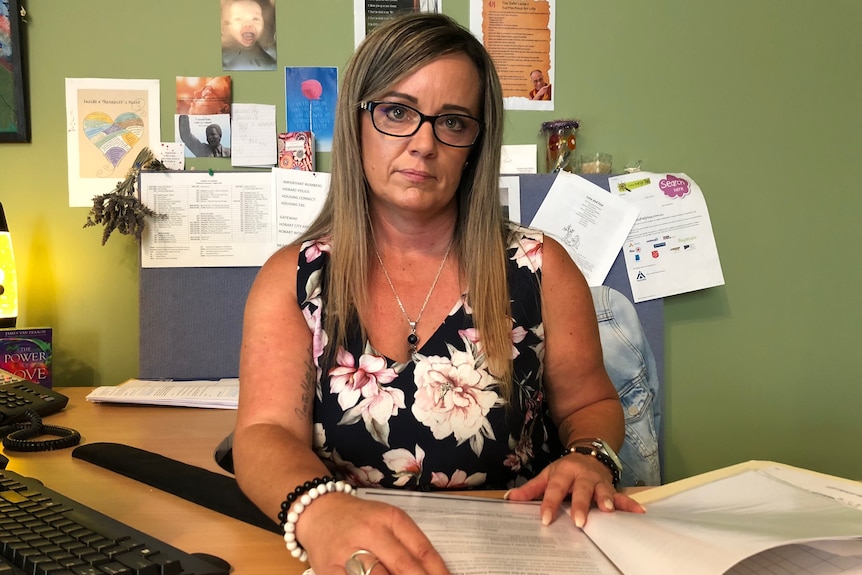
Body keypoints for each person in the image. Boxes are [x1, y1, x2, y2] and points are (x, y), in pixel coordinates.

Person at [233, 11, 644, 575]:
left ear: (475, 142)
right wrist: (321, 511)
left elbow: (592, 405)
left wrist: (590, 457)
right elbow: (264, 433)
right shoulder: (296, 278)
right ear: (357, 122)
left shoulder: (541, 269)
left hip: (519, 553)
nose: (423, 143)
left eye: (452, 122)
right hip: (355, 558)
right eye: (397, 112)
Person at [221, 0, 277, 71]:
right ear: (227, 25)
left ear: (265, 24)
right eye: (238, 19)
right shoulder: (222, 56)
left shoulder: (273, 56)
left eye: (255, 19)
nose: (248, 24)